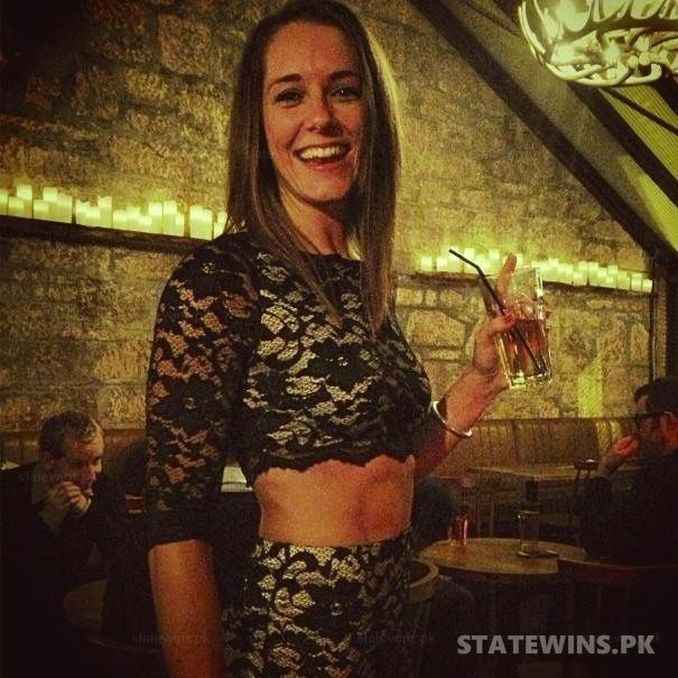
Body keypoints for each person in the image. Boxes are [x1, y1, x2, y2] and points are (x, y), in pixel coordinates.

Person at [144, 2, 516, 676]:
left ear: (373, 112)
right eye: (290, 95)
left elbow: (390, 470)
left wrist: (481, 382)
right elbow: (176, 526)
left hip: (397, 632)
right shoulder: (220, 280)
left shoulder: (366, 277)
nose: (321, 116)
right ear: (258, 124)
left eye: (343, 90)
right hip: (297, 639)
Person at [2, 411, 126, 676]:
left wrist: (88, 512)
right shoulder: (10, 490)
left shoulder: (106, 488)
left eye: (97, 461)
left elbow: (124, 555)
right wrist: (47, 521)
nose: (92, 474)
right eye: (79, 464)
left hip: (88, 621)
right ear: (49, 460)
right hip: (22, 621)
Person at [580, 376, 678, 563]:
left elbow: (597, 541)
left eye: (639, 420)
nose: (636, 431)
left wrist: (603, 471)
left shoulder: (658, 480)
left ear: (666, 421)